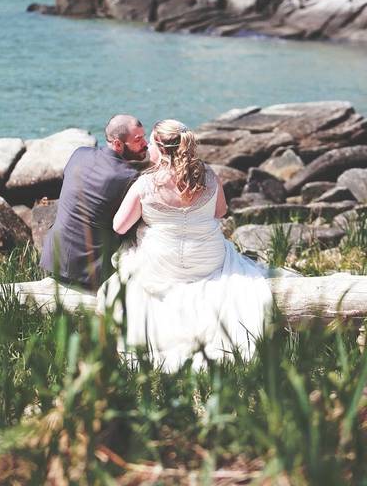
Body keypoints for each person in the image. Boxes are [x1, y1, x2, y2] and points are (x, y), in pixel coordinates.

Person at [97, 119, 273, 371]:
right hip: (208, 261)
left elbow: (119, 226)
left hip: (160, 267)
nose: (147, 146)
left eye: (151, 142)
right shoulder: (209, 176)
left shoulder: (146, 183)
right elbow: (221, 211)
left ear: (160, 147)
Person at [40, 115, 148, 290]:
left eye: (144, 137)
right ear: (118, 144)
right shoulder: (129, 177)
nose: (145, 143)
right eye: (138, 140)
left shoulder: (79, 154)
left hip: (56, 258)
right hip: (91, 271)